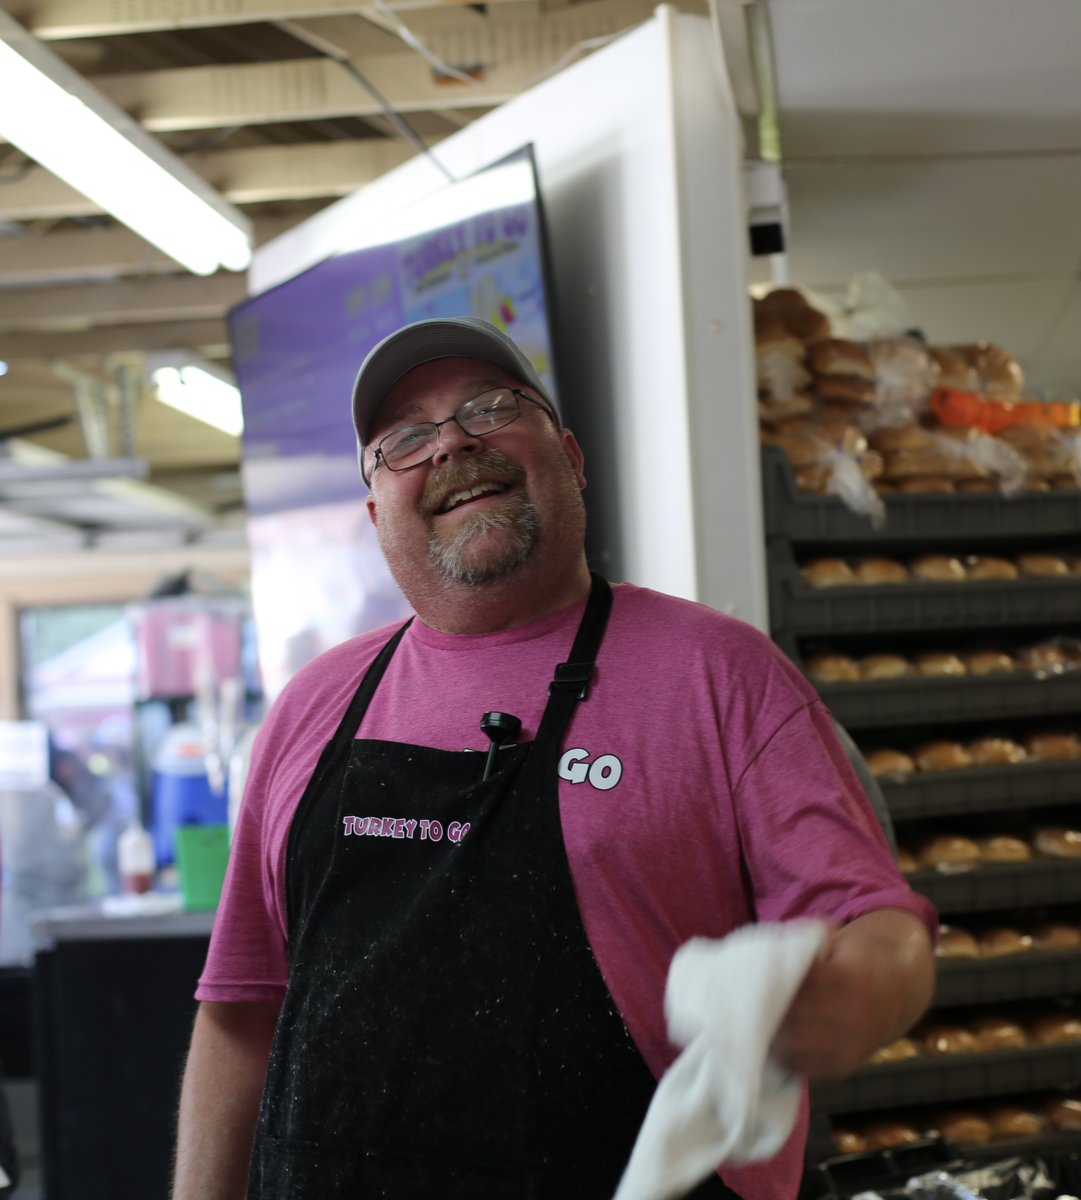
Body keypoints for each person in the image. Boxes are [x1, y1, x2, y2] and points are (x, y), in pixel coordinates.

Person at [173, 316, 936, 1200]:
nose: (454, 441)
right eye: (406, 439)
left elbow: (880, 929)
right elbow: (240, 1014)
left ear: (570, 457)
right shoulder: (314, 706)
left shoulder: (719, 675)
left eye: (493, 407)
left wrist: (859, 989)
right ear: (376, 508)